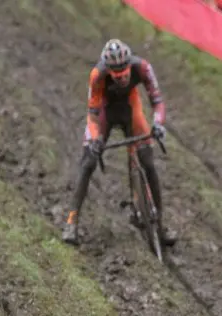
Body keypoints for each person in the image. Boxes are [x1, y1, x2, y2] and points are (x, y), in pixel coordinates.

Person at [62, 39, 176, 246]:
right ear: (109, 71)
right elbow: (93, 113)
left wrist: (158, 124)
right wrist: (95, 138)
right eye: (117, 74)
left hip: (130, 109)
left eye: (125, 72)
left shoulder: (142, 67)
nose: (122, 77)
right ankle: (72, 221)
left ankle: (160, 225)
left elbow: (157, 101)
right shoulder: (98, 75)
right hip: (105, 112)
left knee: (149, 163)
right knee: (88, 162)